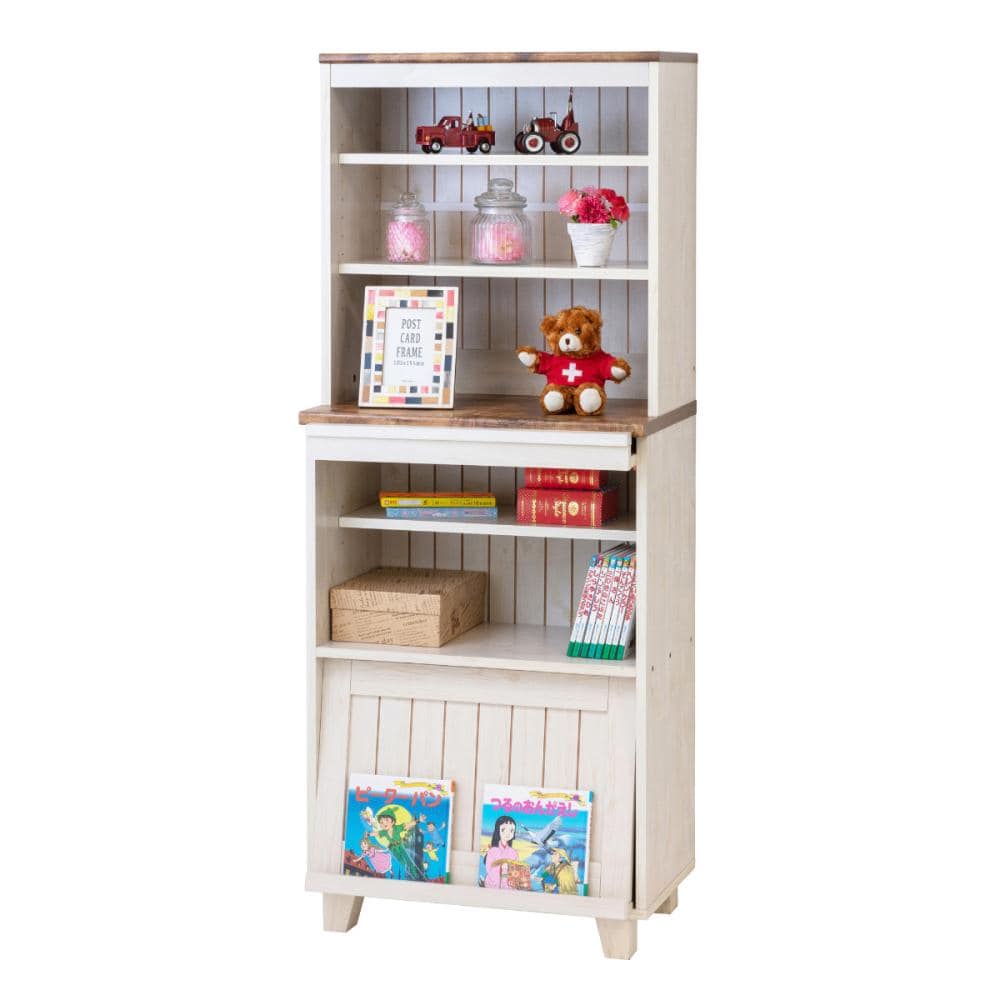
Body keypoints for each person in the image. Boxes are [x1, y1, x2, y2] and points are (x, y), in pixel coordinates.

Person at [483, 814, 518, 889]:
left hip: (509, 887)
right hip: (492, 884)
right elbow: (489, 869)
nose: (508, 833)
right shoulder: (492, 851)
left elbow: (515, 871)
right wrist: (503, 869)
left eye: (511, 830)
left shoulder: (514, 853)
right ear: (497, 830)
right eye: (503, 829)